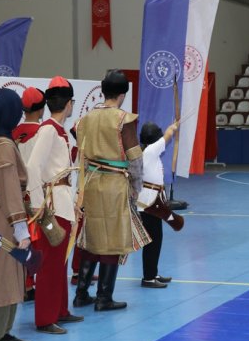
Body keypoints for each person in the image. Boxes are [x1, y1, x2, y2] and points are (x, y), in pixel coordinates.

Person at [74, 69, 147, 311]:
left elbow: (81, 155)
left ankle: (81, 293)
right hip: (115, 185)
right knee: (112, 240)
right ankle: (104, 297)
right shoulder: (123, 119)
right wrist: (136, 187)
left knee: (91, 237)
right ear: (123, 94)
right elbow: (135, 158)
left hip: (92, 182)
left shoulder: (86, 119)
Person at [27, 76, 83, 334]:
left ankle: (60, 309)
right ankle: (45, 317)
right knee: (49, 264)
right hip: (51, 205)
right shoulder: (49, 129)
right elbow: (33, 168)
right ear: (68, 104)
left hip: (61, 201)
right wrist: (40, 207)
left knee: (59, 259)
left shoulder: (58, 130)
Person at [0, 88, 33, 341]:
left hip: (2, 215)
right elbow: (9, 188)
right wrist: (20, 226)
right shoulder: (2, 145)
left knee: (11, 274)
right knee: (2, 276)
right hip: (4, 218)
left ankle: (5, 331)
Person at [12, 86, 46, 301]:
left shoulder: (12, 133)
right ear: (42, 109)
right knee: (37, 241)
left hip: (15, 194)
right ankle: (33, 283)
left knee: (19, 239)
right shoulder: (43, 133)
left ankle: (22, 283)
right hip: (36, 193)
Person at [136, 121, 177, 288]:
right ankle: (148, 278)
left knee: (155, 239)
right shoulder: (150, 151)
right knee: (153, 240)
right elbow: (167, 136)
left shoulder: (148, 152)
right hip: (149, 204)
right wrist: (173, 127)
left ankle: (152, 273)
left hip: (152, 202)